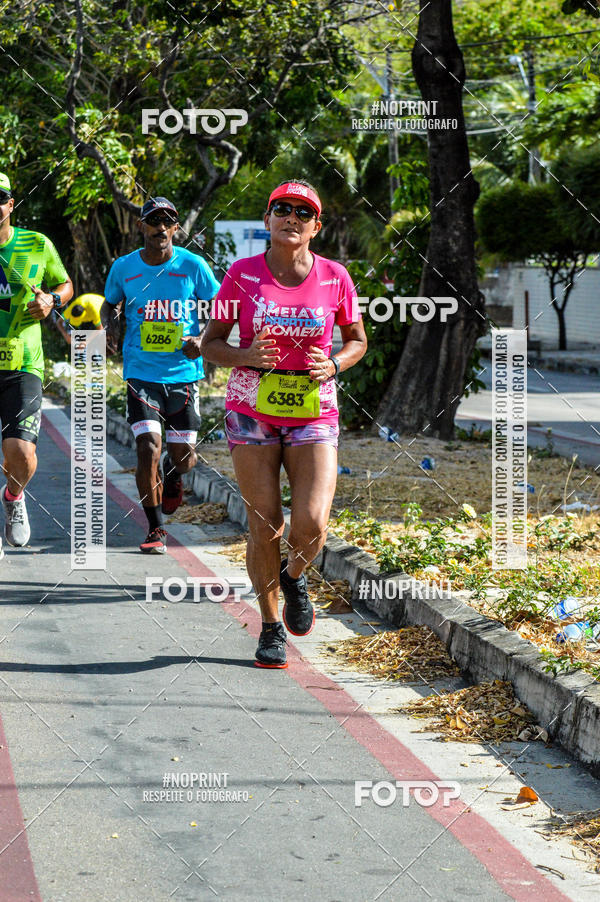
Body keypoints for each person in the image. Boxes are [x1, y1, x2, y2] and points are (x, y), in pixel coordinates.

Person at [200, 180, 367, 668]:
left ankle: (295, 575)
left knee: (312, 522)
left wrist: (335, 364)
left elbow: (357, 340)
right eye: (281, 209)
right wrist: (244, 353)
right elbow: (211, 343)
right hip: (252, 406)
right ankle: (271, 627)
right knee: (265, 524)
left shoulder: (335, 277)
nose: (291, 217)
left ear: (316, 226)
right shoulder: (241, 275)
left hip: (314, 407)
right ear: (268, 220)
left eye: (303, 211)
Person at [102, 196, 220, 554]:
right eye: (154, 221)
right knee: (146, 447)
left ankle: (172, 472)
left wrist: (201, 338)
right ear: (142, 227)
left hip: (184, 374)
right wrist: (108, 324)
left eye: (168, 221)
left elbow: (221, 306)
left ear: (176, 228)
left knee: (185, 457)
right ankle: (156, 529)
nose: (161, 228)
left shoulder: (193, 265)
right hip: (140, 373)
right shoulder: (124, 268)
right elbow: (109, 303)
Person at [0, 172, 73, 554]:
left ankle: (14, 495)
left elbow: (65, 284)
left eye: (0, 198)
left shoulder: (37, 244)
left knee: (22, 453)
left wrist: (51, 301)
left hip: (23, 363)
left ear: (11, 205)